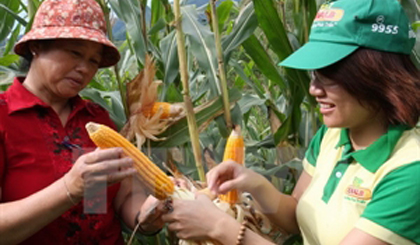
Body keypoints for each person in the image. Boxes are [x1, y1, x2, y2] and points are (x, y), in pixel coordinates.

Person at [161, 0, 420, 244]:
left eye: (329, 74)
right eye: (314, 74)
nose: (313, 89)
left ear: (377, 75)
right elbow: (297, 214)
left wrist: (219, 227)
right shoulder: (332, 136)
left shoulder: (409, 172)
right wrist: (252, 182)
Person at [0, 0, 165, 244]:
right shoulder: (5, 117)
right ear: (36, 46)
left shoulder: (96, 119)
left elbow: (118, 197)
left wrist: (146, 215)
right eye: (75, 53)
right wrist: (70, 188)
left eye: (93, 61)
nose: (84, 69)